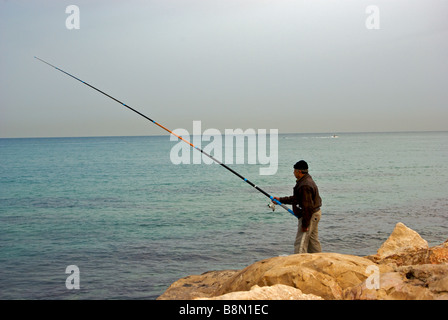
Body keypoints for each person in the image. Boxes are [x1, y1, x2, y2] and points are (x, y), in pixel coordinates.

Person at [273, 160, 322, 254]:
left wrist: (305, 224)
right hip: (315, 214)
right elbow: (297, 199)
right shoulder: (306, 180)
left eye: (294, 171)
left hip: (310, 215)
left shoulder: (305, 185)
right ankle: (319, 260)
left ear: (299, 171)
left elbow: (307, 207)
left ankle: (299, 264)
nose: (293, 173)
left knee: (300, 243)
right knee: (313, 242)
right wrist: (280, 200)